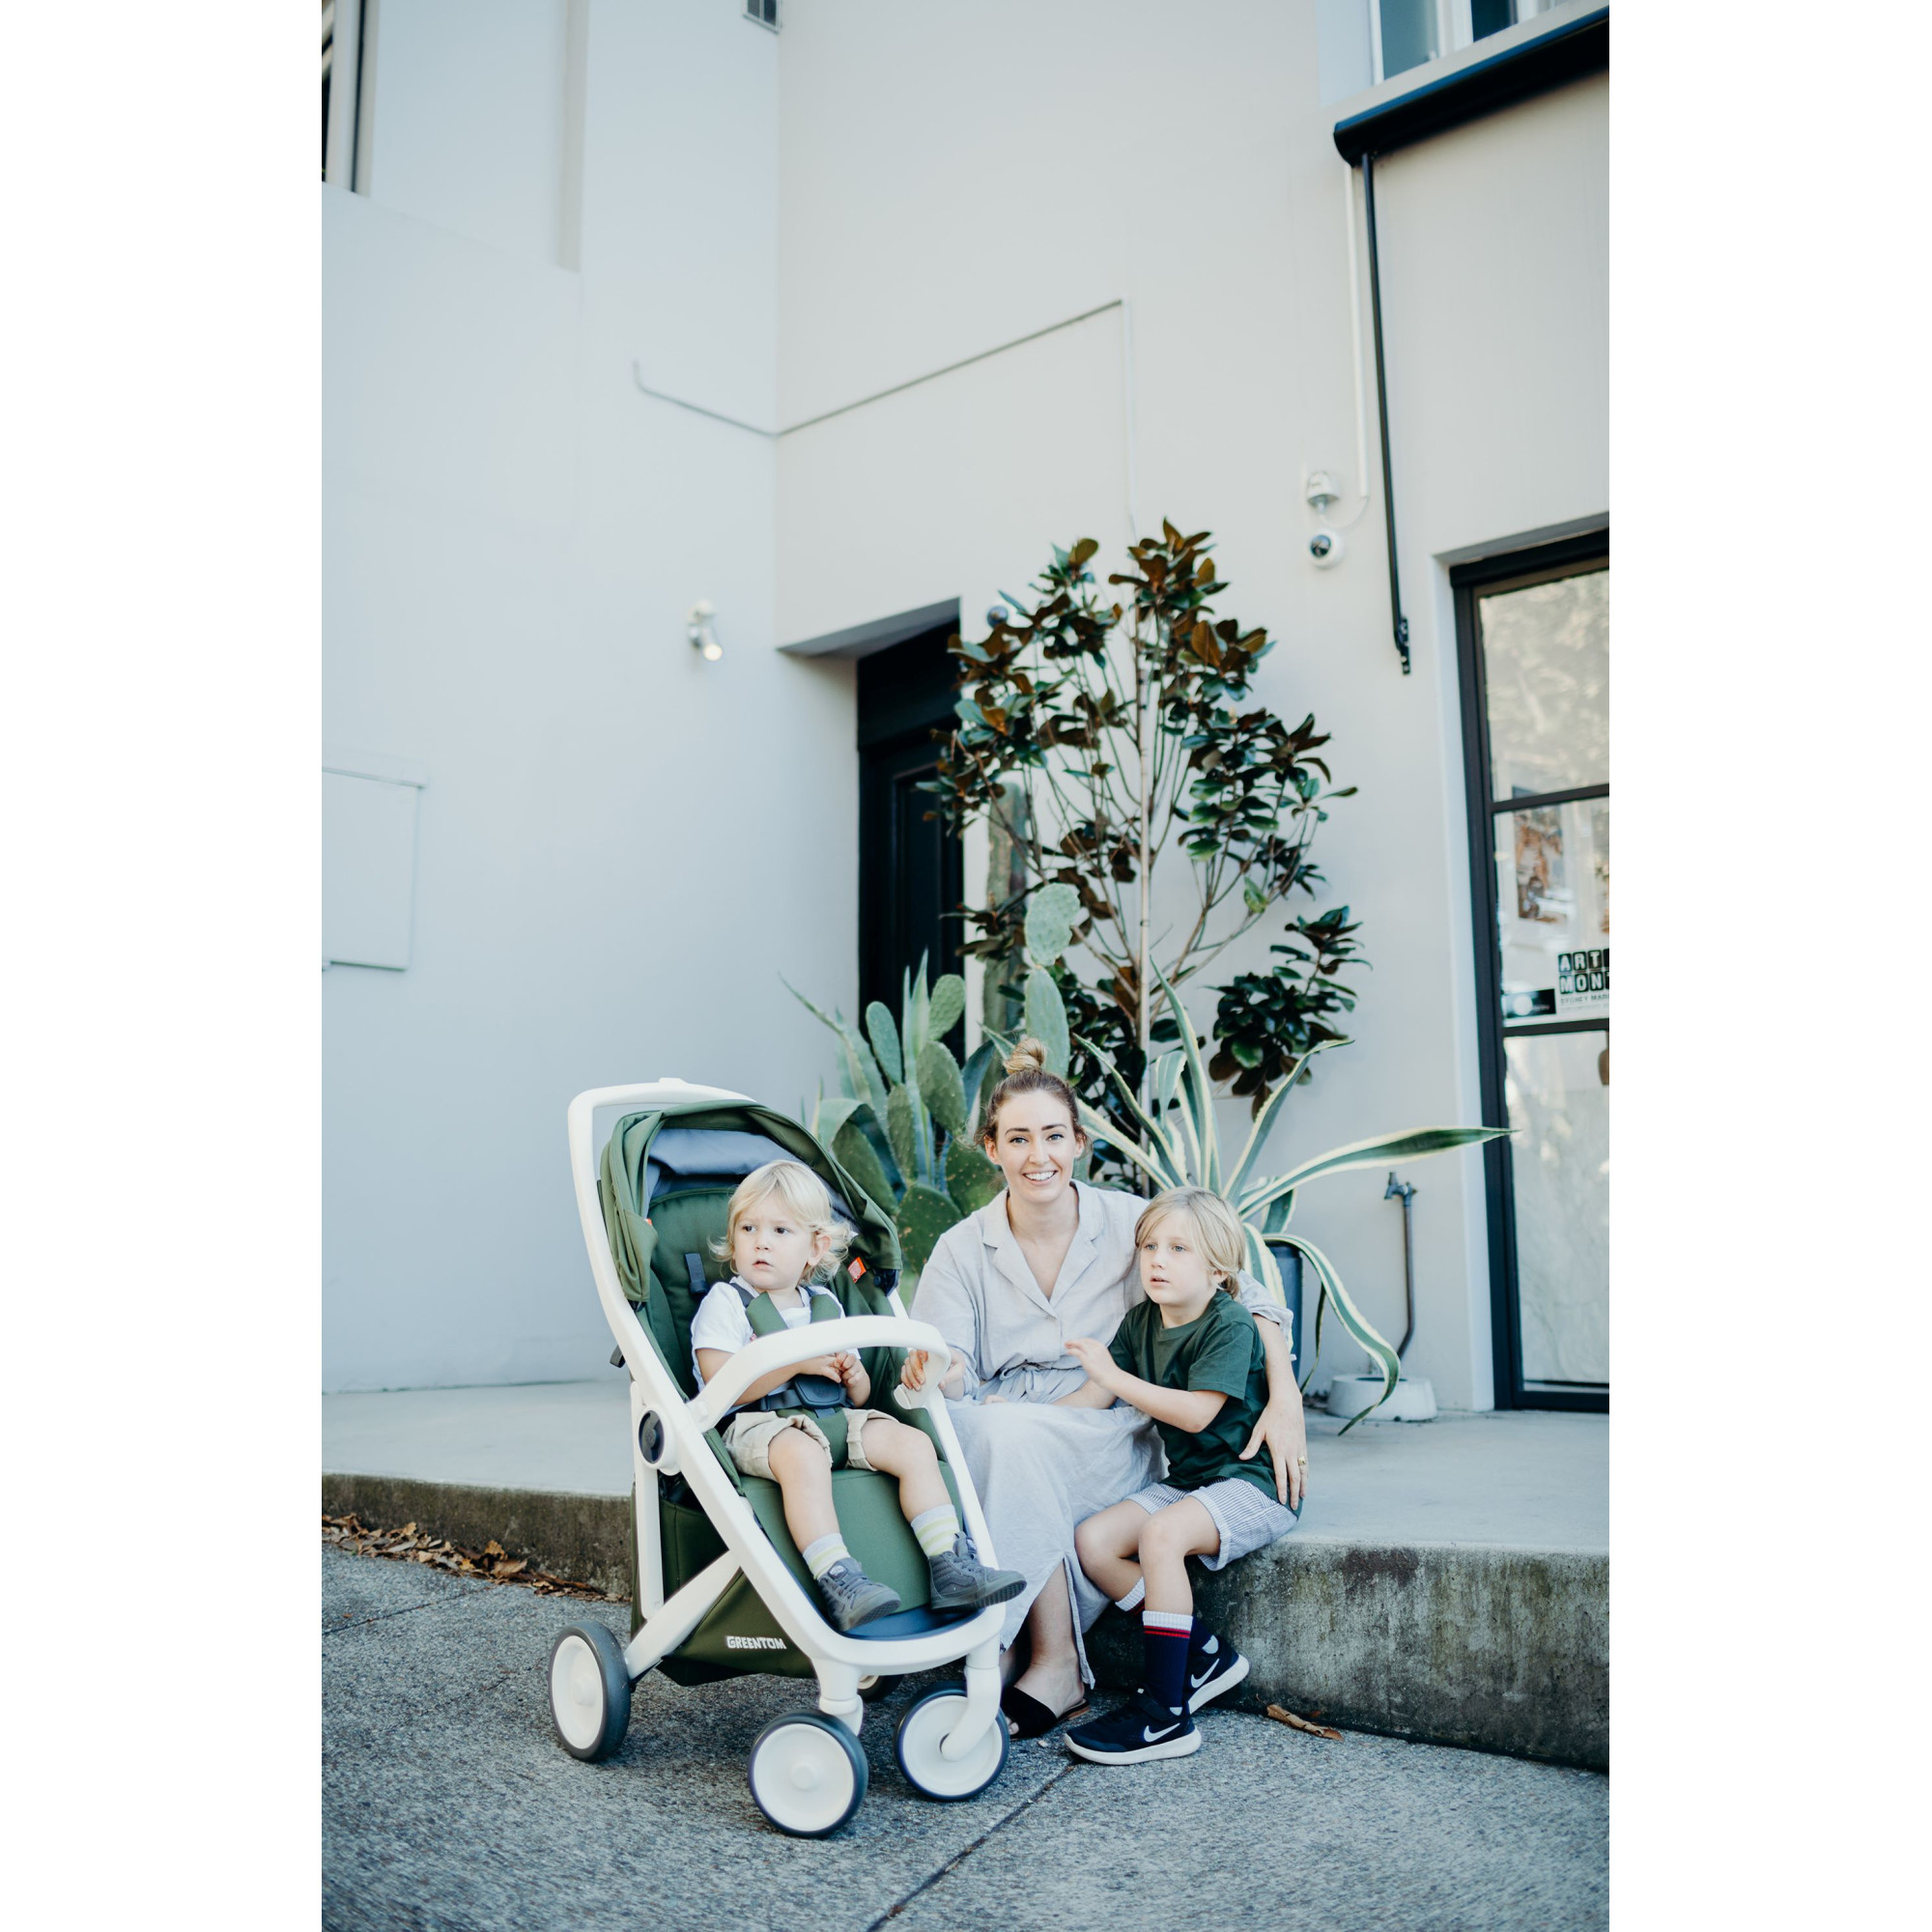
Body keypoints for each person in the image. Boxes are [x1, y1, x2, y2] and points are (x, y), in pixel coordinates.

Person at [899, 1040, 1310, 1739]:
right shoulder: (961, 1248)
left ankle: (1040, 1657)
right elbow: (951, 1363)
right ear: (992, 1149)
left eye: (1053, 1136)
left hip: (1112, 1422)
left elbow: (1246, 1295)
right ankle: (1024, 1649)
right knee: (989, 1428)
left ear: (1079, 1143)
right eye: (1018, 1139)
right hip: (1007, 1416)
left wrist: (1285, 1395)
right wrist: (933, 1369)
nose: (1038, 1156)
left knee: (1010, 1437)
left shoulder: (1133, 1225)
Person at [689, 1158, 1025, 1633]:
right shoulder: (727, 1302)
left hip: (835, 1416)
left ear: (815, 1248)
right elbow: (720, 1385)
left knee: (914, 1444)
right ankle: (837, 1577)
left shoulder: (826, 1304)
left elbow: (861, 1396)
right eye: (748, 1228)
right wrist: (796, 1362)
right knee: (803, 1455)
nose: (761, 1241)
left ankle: (950, 1563)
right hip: (759, 1423)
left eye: (780, 1230)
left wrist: (853, 1375)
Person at [1063, 1187, 1300, 1763]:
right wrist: (1019, 1418)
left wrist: (1116, 1379)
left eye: (1178, 1249)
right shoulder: (1141, 1321)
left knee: (1161, 1534)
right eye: (1149, 1247)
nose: (1157, 1261)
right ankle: (1202, 1654)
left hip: (1253, 1483)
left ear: (1218, 1269)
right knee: (1093, 1541)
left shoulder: (1230, 1322)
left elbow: (1197, 1413)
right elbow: (1092, 1396)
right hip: (1193, 1480)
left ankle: (1166, 1713)